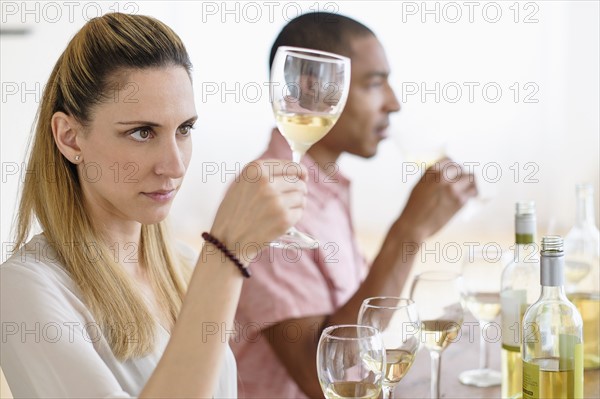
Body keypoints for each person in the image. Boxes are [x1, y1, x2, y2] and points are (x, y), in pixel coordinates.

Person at [0, 13, 307, 399]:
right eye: (142, 132)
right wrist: (227, 255)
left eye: (184, 129)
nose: (175, 165)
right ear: (70, 138)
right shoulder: (25, 288)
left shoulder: (182, 266)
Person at [231, 12, 478, 398]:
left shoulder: (326, 187)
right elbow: (321, 380)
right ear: (315, 91)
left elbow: (362, 332)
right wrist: (409, 233)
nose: (393, 104)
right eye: (374, 84)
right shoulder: (268, 198)